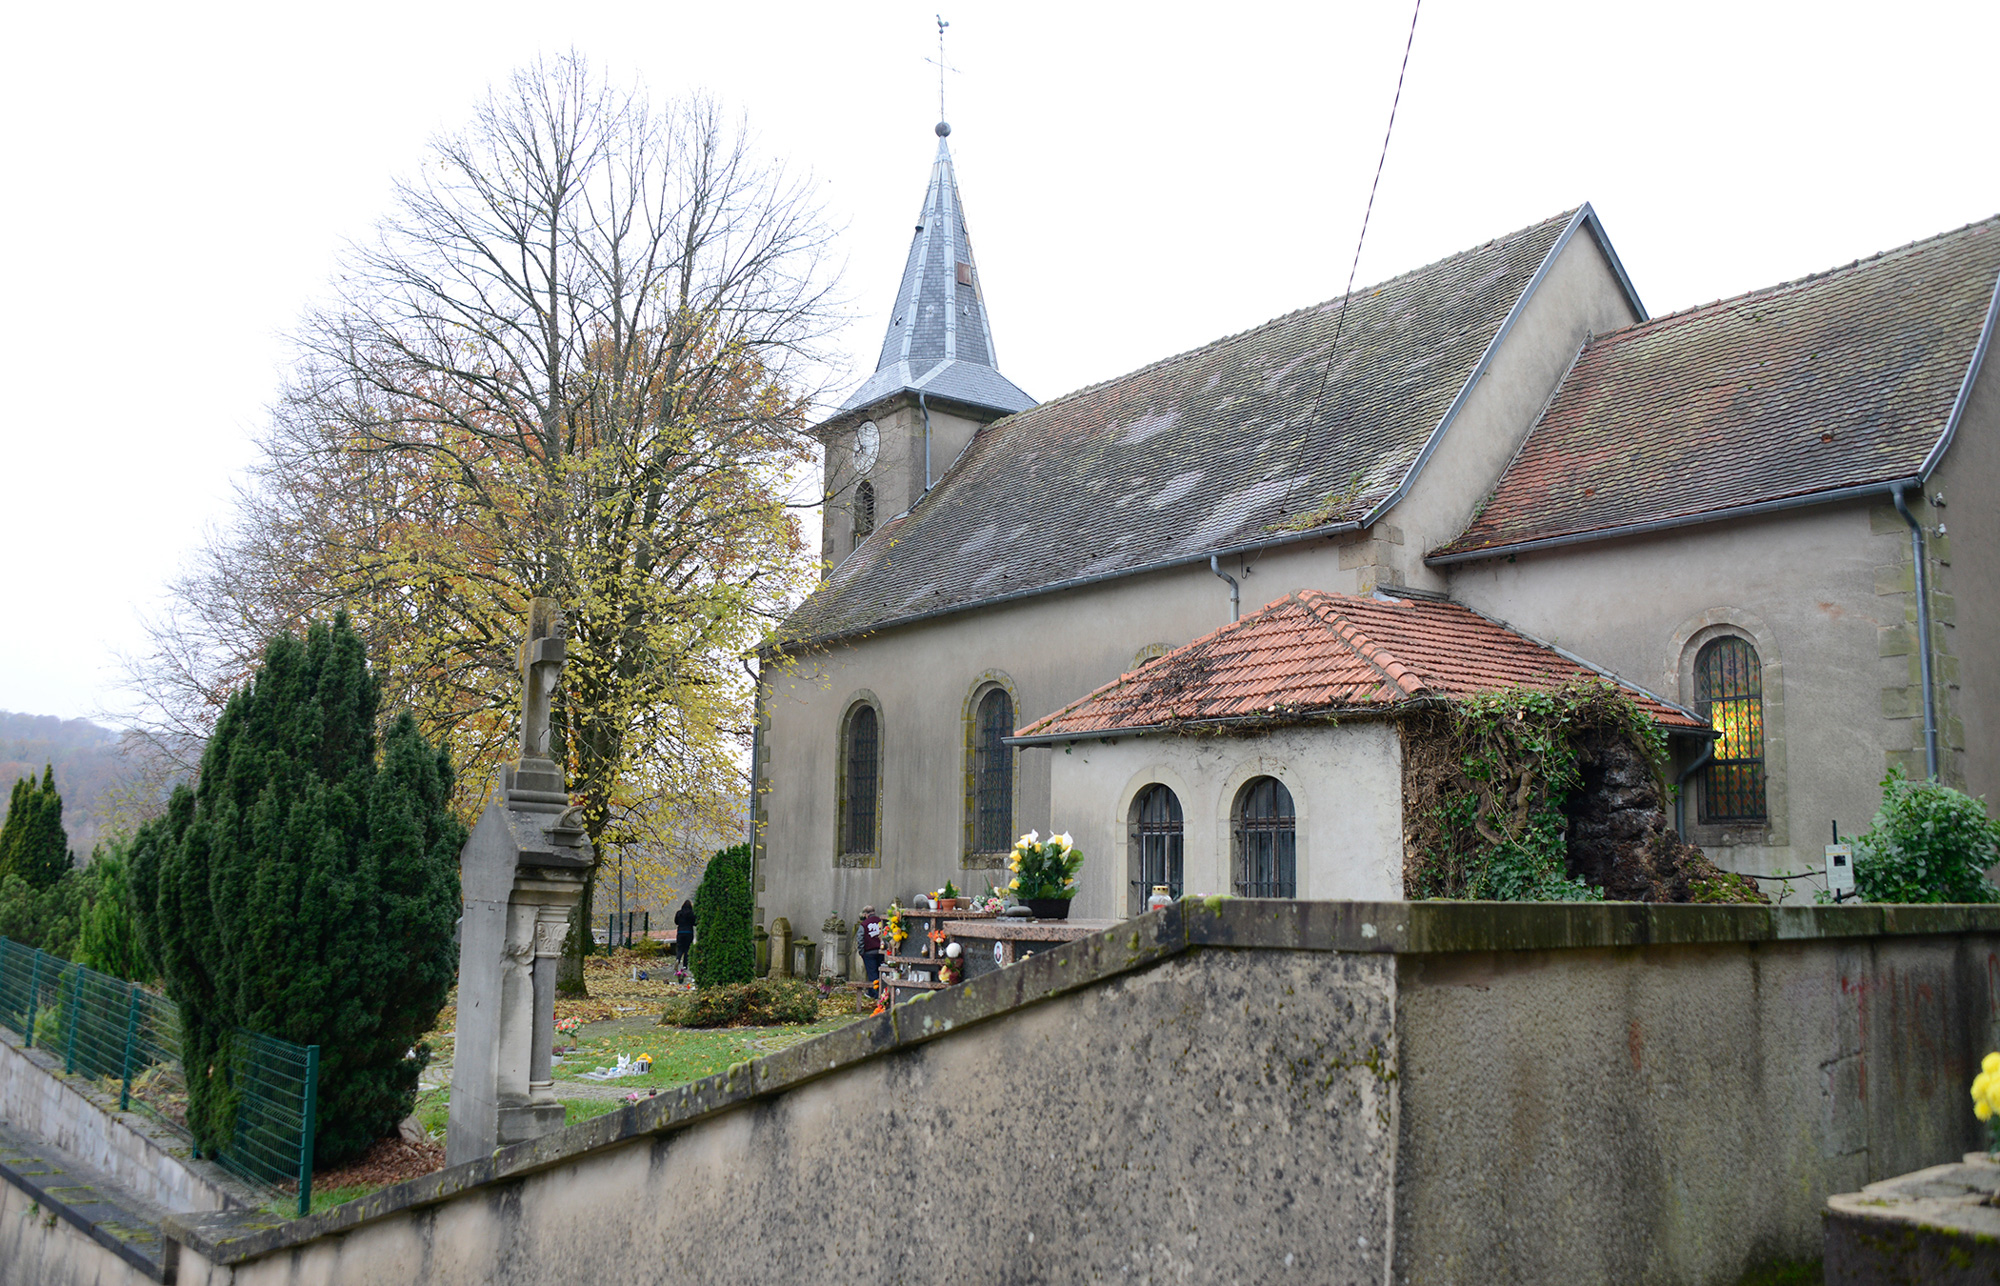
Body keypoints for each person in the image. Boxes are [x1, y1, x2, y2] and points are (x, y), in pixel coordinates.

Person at [855, 905, 885, 990]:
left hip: (869, 952)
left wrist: (861, 952)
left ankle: (875, 994)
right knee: (881, 973)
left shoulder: (864, 924)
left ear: (866, 914)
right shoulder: (881, 922)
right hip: (880, 951)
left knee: (872, 974)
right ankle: (881, 992)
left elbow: (860, 938)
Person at [673, 899, 696, 973]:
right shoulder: (692, 914)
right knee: (687, 949)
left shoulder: (679, 913)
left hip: (680, 933)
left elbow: (676, 922)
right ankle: (685, 965)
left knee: (680, 948)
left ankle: (678, 959)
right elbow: (695, 923)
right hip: (689, 932)